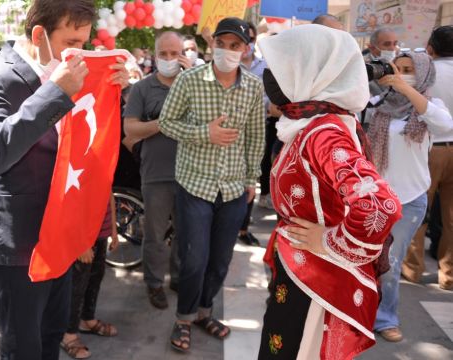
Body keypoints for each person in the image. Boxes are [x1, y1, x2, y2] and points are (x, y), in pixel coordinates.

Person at [0, 0, 129, 358]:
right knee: (23, 344)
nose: (80, 52)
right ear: (39, 34)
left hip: (61, 227)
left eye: (85, 43)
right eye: (71, 41)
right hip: (21, 236)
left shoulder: (71, 67)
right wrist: (54, 93)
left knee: (52, 332)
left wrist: (111, 88)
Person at [256, 24, 403, 359]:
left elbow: (380, 204)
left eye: (280, 68)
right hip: (302, 269)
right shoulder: (314, 121)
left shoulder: (324, 132)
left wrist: (328, 241)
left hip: (317, 279)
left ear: (312, 72)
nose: (271, 77)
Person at [158, 17, 265, 352]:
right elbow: (166, 123)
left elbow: (255, 136)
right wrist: (205, 133)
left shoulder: (253, 87)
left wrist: (252, 179)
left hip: (234, 188)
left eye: (236, 46)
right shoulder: (189, 80)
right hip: (195, 185)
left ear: (245, 50)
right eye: (222, 44)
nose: (228, 51)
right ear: (212, 44)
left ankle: (204, 312)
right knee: (194, 259)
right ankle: (184, 319)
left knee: (220, 260)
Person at [367, 51, 453, 342]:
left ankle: (385, 319)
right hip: (374, 197)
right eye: (398, 68)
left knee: (390, 262)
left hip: (409, 199)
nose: (402, 73)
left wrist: (404, 88)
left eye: (409, 69)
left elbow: (444, 125)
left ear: (423, 73)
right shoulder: (379, 104)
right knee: (364, 259)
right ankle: (359, 314)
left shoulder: (430, 107)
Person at [124, 31, 183, 309]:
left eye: (175, 53)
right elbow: (130, 129)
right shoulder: (142, 89)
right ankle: (154, 283)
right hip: (156, 173)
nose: (170, 59)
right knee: (156, 234)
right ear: (155, 55)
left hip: (192, 174)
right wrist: (162, 123)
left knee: (187, 232)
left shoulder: (194, 86)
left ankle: (179, 278)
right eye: (164, 54)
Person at [403, 25, 453, 292]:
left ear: (431, 48)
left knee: (418, 209)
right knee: (451, 218)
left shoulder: (428, 73)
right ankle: (449, 275)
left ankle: (412, 269)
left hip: (431, 148)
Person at [60, 199, 118, 359]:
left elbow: (109, 191)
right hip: (82, 234)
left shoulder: (103, 171)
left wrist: (113, 228)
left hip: (101, 231)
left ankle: (87, 318)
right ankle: (68, 333)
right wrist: (80, 241)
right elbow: (69, 199)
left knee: (96, 277)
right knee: (77, 285)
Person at [238, 21, 268, 246]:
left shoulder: (265, 67)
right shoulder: (225, 65)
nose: (245, 44)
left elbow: (273, 98)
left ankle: (243, 228)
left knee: (251, 176)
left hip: (259, 128)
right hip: (231, 131)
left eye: (249, 39)